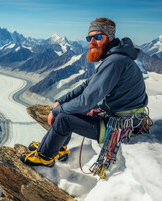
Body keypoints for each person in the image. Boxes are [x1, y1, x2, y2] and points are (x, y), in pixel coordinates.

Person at [21, 17, 148, 167]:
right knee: (67, 109)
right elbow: (86, 85)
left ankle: (45, 157)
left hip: (123, 127)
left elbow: (87, 101)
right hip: (123, 119)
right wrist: (61, 101)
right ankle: (56, 147)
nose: (92, 42)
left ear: (110, 37)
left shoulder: (115, 61)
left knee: (63, 119)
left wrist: (56, 111)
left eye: (98, 37)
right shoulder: (113, 58)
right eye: (90, 37)